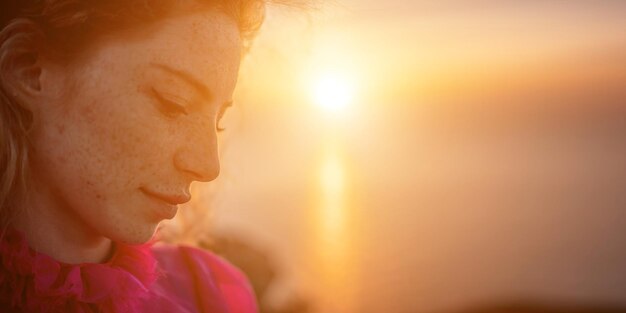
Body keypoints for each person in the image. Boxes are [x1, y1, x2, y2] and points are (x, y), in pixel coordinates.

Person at [0, 0, 289, 312]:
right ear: (28, 69)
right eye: (173, 101)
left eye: (217, 122)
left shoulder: (209, 295)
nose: (208, 166)